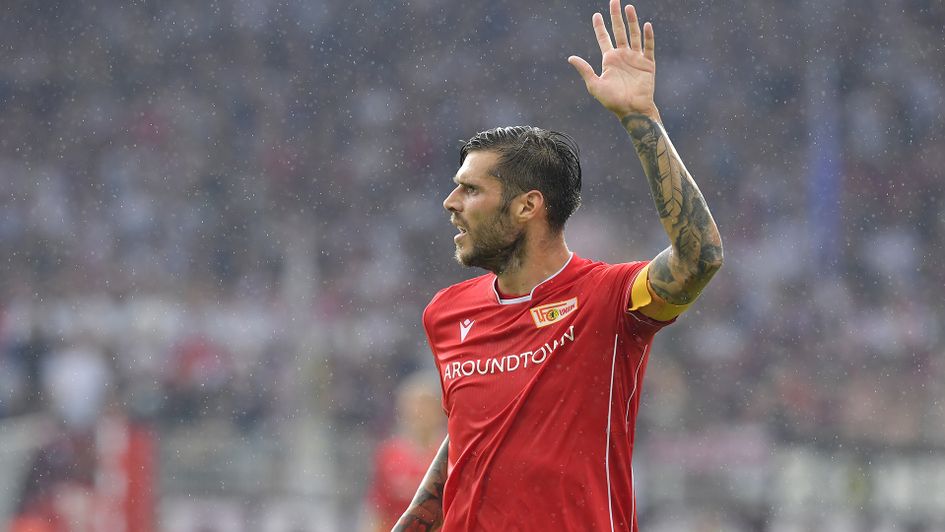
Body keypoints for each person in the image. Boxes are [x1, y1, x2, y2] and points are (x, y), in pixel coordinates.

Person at [394, 1, 723, 530]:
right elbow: (468, 438)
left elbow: (700, 256)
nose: (450, 203)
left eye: (470, 190)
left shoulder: (610, 299)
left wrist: (641, 118)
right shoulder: (446, 313)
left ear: (528, 206)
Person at [362, 373, 446, 532]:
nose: (419, 412)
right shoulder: (388, 455)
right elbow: (378, 511)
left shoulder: (452, 455)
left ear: (440, 409)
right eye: (413, 405)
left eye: (426, 404)